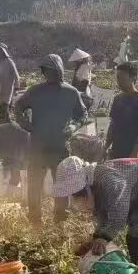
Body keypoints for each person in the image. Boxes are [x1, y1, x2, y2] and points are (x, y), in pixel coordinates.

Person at [53, 156, 138, 261]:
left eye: (78, 193)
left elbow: (119, 210)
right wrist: (96, 238)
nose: (77, 197)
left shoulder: (108, 181)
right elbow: (104, 215)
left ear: (84, 185)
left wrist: (104, 237)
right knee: (136, 239)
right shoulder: (94, 183)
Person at [14, 54, 86, 226]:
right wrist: (24, 123)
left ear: (59, 70)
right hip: (38, 147)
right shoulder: (35, 91)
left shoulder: (70, 92)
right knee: (34, 186)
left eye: (52, 70)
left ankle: (60, 221)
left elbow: (82, 114)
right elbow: (18, 106)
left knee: (61, 186)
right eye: (46, 70)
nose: (49, 73)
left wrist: (73, 126)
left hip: (60, 147)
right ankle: (35, 221)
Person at [105, 62, 138, 160]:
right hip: (117, 151)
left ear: (132, 78)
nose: (119, 81)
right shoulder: (117, 99)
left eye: (122, 77)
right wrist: (105, 148)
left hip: (132, 153)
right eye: (118, 77)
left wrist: (134, 153)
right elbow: (112, 126)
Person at [0, 43, 19, 123]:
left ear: (3, 51)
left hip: (8, 89)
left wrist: (17, 87)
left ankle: (7, 123)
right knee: (0, 108)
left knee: (5, 107)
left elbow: (16, 75)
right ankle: (3, 123)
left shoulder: (9, 62)